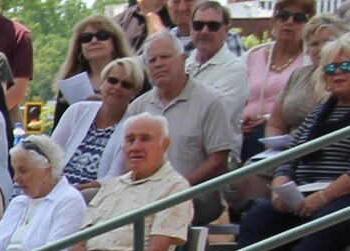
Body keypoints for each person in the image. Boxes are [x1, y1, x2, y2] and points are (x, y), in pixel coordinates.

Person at [215, 38, 350, 251]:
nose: (337, 73)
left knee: (328, 220)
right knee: (259, 217)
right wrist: (280, 184)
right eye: (331, 68)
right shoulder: (319, 111)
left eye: (346, 66)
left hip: (340, 198)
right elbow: (291, 154)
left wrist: (323, 197)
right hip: (303, 193)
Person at [131, 30, 240, 227]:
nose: (158, 64)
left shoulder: (211, 101)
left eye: (165, 57)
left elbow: (218, 162)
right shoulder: (138, 107)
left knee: (161, 212)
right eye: (152, 60)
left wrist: (174, 187)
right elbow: (127, 158)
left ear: (183, 60)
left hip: (196, 193)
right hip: (145, 192)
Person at [51, 56, 145, 198]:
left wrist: (71, 191)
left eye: (126, 85)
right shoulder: (77, 111)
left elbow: (113, 178)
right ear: (102, 82)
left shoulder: (132, 128)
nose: (117, 87)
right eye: (112, 80)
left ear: (135, 93)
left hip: (94, 197)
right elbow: (50, 154)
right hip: (55, 189)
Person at [242, 4, 319, 167]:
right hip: (241, 130)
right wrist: (240, 122)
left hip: (281, 133)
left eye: (298, 18)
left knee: (258, 138)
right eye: (283, 16)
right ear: (274, 21)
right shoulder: (251, 55)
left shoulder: (310, 62)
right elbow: (232, 98)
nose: (289, 22)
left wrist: (266, 119)